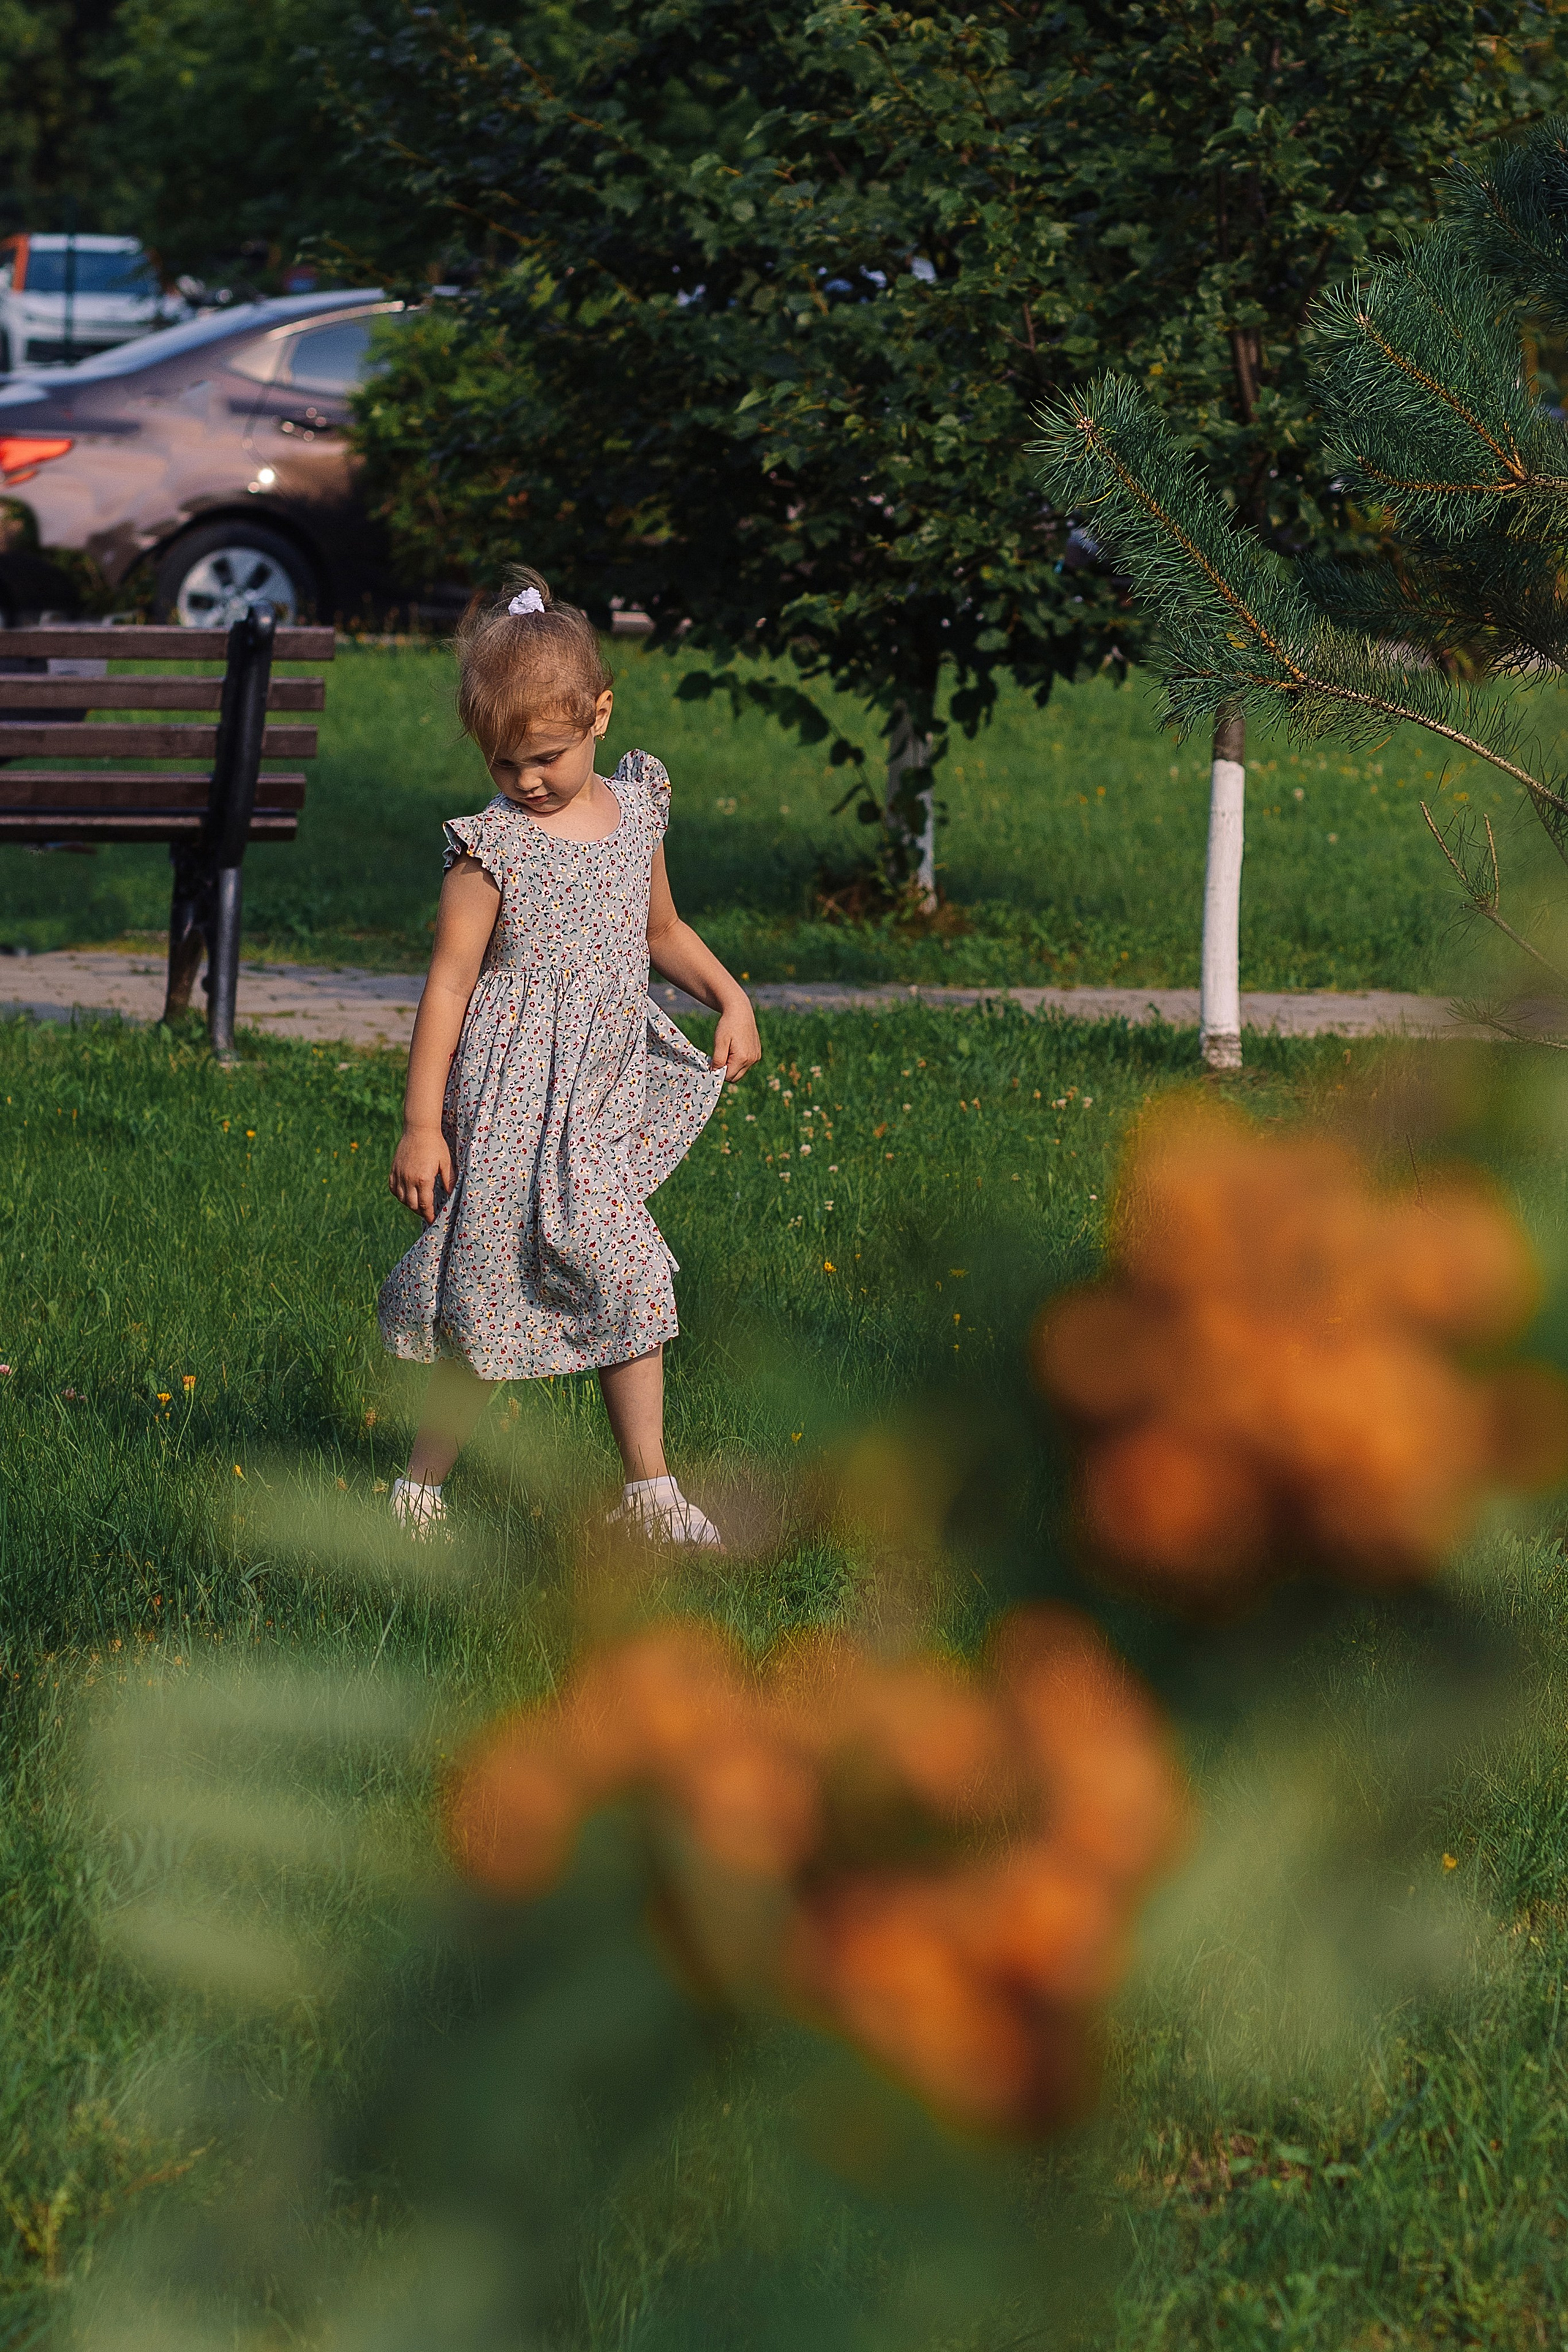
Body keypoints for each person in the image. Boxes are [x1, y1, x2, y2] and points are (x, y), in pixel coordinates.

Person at [378, 568, 761, 1544]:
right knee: (490, 1286)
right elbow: (448, 988)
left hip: (597, 1097)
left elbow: (660, 929)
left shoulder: (638, 815)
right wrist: (423, 1125)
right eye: (505, 765)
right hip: (508, 1097)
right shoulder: (490, 851)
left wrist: (729, 993)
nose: (527, 782)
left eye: (545, 757)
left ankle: (650, 1494)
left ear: (599, 714)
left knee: (630, 1273)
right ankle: (422, 1488)